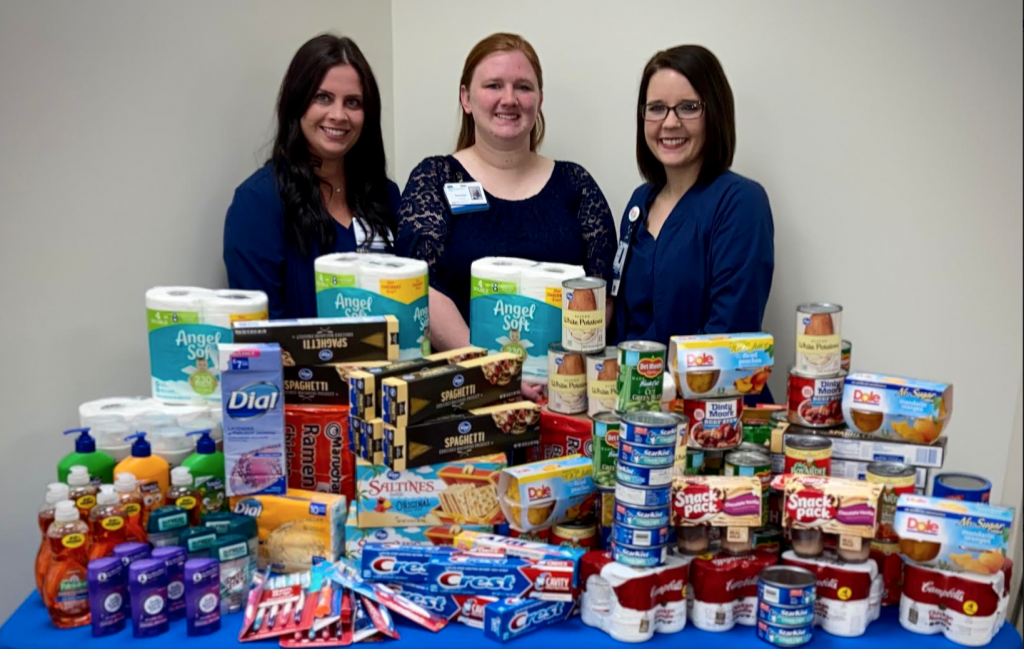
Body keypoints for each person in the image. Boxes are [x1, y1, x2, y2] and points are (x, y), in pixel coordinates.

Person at [396, 33, 617, 360]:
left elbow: (602, 292)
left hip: (561, 386)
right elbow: (419, 286)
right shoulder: (435, 180)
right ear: (466, 98)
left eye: (523, 87)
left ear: (539, 99)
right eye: (494, 85)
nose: (509, 99)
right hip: (464, 384)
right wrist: (490, 368)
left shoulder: (577, 185)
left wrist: (564, 366)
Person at [223, 34, 400, 319]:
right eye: (323, 98)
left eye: (353, 102)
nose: (339, 115)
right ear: (297, 103)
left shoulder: (385, 195)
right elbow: (261, 333)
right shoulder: (258, 202)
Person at [612, 45, 774, 348]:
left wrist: (660, 387)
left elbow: (730, 334)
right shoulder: (639, 204)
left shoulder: (740, 203)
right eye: (657, 108)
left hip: (708, 393)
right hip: (635, 390)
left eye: (688, 107)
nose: (670, 123)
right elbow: (625, 326)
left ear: (714, 112)